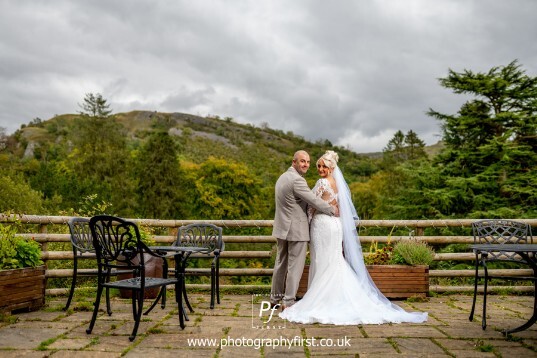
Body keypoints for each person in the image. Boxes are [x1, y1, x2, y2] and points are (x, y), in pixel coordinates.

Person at [280, 150, 428, 324]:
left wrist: (308, 223)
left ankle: (322, 299)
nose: (320, 169)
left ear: (331, 167)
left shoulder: (321, 183)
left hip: (322, 225)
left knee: (322, 262)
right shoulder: (337, 184)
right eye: (319, 166)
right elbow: (341, 209)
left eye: (324, 166)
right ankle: (340, 297)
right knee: (334, 260)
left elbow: (311, 206)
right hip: (336, 226)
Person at [271, 150, 338, 309]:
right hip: (296, 230)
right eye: (302, 161)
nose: (306, 164)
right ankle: (288, 302)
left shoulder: (282, 177)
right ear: (294, 161)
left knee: (281, 263)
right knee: (295, 266)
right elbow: (313, 200)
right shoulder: (297, 180)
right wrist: (331, 210)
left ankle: (275, 298)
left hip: (282, 228)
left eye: (308, 162)